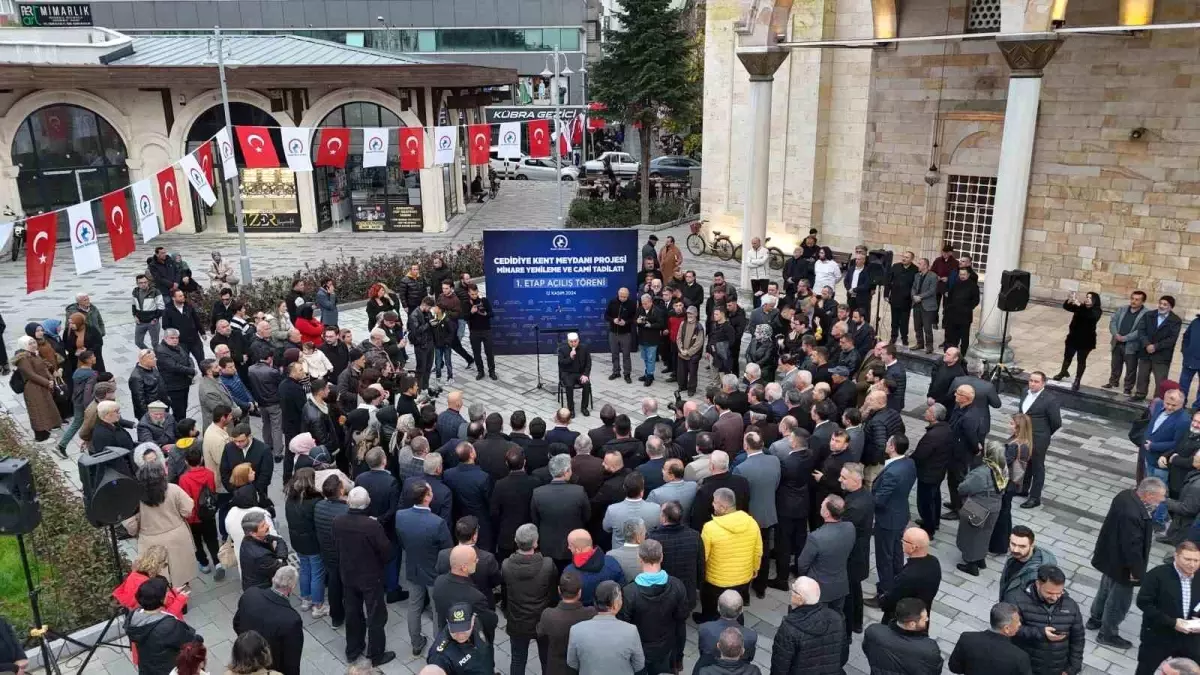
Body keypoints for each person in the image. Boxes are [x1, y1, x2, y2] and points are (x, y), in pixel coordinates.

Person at [1089, 478, 1168, 649]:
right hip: (1124, 565)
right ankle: (1107, 633)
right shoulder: (1135, 515)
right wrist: (1136, 572)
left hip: (1110, 556)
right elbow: (1132, 547)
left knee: (1105, 588)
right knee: (1119, 600)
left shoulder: (1124, 495)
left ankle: (1095, 618)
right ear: (1148, 495)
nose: (1162, 500)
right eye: (1160, 497)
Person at [333, 486, 395, 666]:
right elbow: (387, 551)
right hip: (370, 577)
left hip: (348, 574)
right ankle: (376, 655)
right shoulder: (371, 525)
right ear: (367, 503)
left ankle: (353, 650)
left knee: (352, 613)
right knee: (375, 615)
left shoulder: (338, 521)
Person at [395, 480, 454, 654]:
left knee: (414, 606)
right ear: (427, 497)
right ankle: (438, 646)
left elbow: (402, 541)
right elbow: (447, 550)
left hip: (413, 567)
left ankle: (416, 642)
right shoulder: (437, 523)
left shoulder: (400, 516)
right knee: (437, 610)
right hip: (434, 572)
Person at [617, 539, 690, 675]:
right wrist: (679, 656)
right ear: (662, 557)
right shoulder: (677, 586)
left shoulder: (629, 592)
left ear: (639, 558)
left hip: (639, 651)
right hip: (667, 649)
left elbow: (624, 628)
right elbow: (681, 624)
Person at [122, 463, 196, 588]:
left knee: (156, 576)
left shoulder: (135, 496)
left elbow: (131, 526)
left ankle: (162, 600)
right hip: (177, 536)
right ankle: (182, 602)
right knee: (181, 572)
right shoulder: (173, 489)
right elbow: (187, 511)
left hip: (150, 541)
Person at [1005, 564, 1084, 675]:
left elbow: (1078, 639)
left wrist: (1072, 668)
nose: (1055, 597)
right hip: (1026, 667)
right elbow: (1008, 629)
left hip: (1057, 669)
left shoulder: (1071, 605)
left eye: (1059, 593)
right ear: (1038, 584)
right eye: (1050, 593)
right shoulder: (1015, 599)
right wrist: (1041, 633)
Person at [697, 488, 761, 622]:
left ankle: (709, 623)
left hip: (716, 580)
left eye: (714, 502)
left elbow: (704, 556)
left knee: (711, 609)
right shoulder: (751, 522)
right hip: (743, 577)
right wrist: (755, 569)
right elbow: (758, 550)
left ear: (723, 507)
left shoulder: (710, 528)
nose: (712, 505)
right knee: (735, 607)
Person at [498, 523, 555, 674]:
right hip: (542, 620)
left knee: (517, 659)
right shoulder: (548, 564)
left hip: (518, 621)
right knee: (546, 659)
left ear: (516, 541)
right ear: (536, 543)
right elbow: (553, 588)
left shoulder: (506, 565)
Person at [1136, 542, 1200, 675]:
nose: (1192, 564)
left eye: (1196, 560)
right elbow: (1144, 603)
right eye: (1187, 559)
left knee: (1190, 671)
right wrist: (1173, 622)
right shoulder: (1157, 575)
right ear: (1176, 556)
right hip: (1159, 635)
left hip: (1190, 638)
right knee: (1145, 670)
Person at [354, 446, 405, 603]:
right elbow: (394, 509)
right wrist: (379, 520)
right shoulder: (391, 482)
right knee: (392, 557)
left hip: (366, 524)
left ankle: (379, 583)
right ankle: (392, 589)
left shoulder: (360, 478)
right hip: (387, 527)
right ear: (384, 461)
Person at [232, 567, 304, 675]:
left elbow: (236, 623)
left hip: (245, 658)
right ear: (292, 587)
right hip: (271, 668)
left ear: (273, 579)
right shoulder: (292, 620)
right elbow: (291, 661)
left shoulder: (250, 594)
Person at [768, 577, 845, 675]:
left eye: (793, 590)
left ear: (799, 599)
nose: (791, 592)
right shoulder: (836, 618)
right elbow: (842, 655)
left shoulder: (789, 629)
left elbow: (780, 666)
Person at [125, 577, 201, 675]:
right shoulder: (167, 626)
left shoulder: (133, 616)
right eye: (166, 593)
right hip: (168, 669)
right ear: (161, 599)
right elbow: (189, 641)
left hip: (147, 668)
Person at [567, 580, 644, 675]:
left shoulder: (576, 630)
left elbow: (572, 663)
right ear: (616, 603)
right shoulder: (631, 630)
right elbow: (639, 664)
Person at [872, 434, 916, 597]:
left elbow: (879, 500)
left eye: (888, 443)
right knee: (896, 551)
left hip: (887, 519)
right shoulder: (909, 463)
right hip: (900, 513)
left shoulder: (892, 472)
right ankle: (897, 580)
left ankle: (885, 591)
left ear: (892, 447)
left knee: (884, 556)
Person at [955, 441, 1007, 576]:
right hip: (995, 506)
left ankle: (971, 564)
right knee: (985, 534)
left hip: (977, 506)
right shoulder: (1003, 468)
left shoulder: (982, 472)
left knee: (970, 534)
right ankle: (980, 559)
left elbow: (964, 488)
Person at [282, 468, 326, 617]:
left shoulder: (290, 499)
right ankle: (318, 605)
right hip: (313, 542)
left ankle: (305, 599)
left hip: (298, 541)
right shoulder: (316, 501)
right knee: (317, 572)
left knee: (305, 569)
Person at [876, 527, 941, 625]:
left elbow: (891, 600)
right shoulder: (934, 562)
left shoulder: (909, 576)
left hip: (902, 622)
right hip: (922, 616)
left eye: (904, 541)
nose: (901, 542)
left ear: (913, 547)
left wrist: (882, 601)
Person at [176, 445, 224, 580]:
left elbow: (185, 499)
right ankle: (218, 563)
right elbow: (212, 491)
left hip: (193, 518)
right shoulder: (210, 474)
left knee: (196, 542)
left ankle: (204, 564)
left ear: (186, 462)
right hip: (208, 514)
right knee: (212, 539)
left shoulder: (184, 479)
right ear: (202, 459)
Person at [537, 571, 597, 675]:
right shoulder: (591, 613)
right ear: (579, 592)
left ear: (559, 590)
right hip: (580, 667)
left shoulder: (548, 615)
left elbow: (540, 632)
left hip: (556, 668)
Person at [948, 602, 1032, 675]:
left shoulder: (966, 638)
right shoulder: (1020, 657)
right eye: (1017, 622)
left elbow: (954, 667)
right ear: (1006, 629)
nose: (1020, 624)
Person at [112, 545, 190, 619]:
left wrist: (174, 591)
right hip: (168, 626)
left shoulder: (134, 575)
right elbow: (165, 615)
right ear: (161, 564)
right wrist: (180, 599)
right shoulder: (152, 585)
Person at [910, 403, 953, 536]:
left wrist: (908, 459)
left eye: (928, 411)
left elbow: (920, 455)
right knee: (935, 497)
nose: (925, 413)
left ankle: (929, 529)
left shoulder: (932, 435)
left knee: (926, 501)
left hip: (928, 473)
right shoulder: (946, 429)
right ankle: (934, 522)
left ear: (934, 416)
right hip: (938, 471)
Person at [314, 475, 349, 628]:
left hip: (327, 553)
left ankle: (336, 617)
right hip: (344, 554)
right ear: (340, 491)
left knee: (334, 585)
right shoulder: (345, 510)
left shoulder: (319, 506)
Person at [12, 335, 62, 442]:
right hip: (33, 388)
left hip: (43, 386)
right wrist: (47, 382)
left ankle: (48, 428)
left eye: (34, 342)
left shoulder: (34, 354)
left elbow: (44, 368)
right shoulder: (23, 358)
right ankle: (40, 434)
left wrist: (51, 379)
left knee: (46, 407)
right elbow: (30, 375)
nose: (34, 345)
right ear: (24, 345)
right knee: (38, 411)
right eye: (30, 343)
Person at [426, 603, 495, 675]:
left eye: (464, 628)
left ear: (473, 619)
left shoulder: (478, 622)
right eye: (455, 629)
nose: (460, 635)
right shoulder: (440, 655)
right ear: (447, 622)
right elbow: (434, 670)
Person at [1054, 291, 1103, 390]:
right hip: (1073, 337)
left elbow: (1090, 316)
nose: (1087, 299)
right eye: (1087, 297)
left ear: (1094, 301)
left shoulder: (1097, 311)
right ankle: (1063, 372)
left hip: (1086, 340)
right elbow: (1067, 307)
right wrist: (1069, 299)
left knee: (1081, 360)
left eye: (1090, 298)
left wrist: (1079, 304)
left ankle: (1077, 379)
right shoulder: (1081, 307)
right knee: (1067, 356)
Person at [1104, 290, 1150, 394]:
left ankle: (1128, 387)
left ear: (1142, 302)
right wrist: (1116, 334)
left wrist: (1125, 338)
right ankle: (1113, 382)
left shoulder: (1146, 314)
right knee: (1115, 364)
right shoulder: (1122, 309)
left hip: (1132, 345)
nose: (1133, 301)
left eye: (1137, 300)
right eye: (1132, 298)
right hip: (1117, 342)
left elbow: (1141, 330)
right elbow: (1113, 322)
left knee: (1131, 368)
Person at [691, 450, 750, 531]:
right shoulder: (742, 482)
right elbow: (746, 506)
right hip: (740, 527)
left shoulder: (704, 490)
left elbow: (698, 520)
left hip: (716, 533)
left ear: (711, 466)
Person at [563, 529, 624, 606]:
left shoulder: (569, 573)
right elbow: (622, 590)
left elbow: (569, 600)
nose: (568, 547)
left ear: (578, 549)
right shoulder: (612, 563)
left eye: (570, 545)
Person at [603, 473, 662, 549]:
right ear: (642, 491)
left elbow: (606, 528)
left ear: (624, 488)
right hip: (646, 554)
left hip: (620, 556)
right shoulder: (656, 508)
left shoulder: (612, 510)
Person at [239, 510, 290, 591]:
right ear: (253, 533)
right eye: (263, 526)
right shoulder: (261, 556)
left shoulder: (248, 539)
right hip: (263, 592)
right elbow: (281, 568)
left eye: (265, 522)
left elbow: (270, 538)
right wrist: (281, 555)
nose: (267, 525)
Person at [155, 329, 196, 422]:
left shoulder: (178, 346)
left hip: (184, 383)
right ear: (165, 338)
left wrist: (191, 369)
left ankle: (182, 425)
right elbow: (174, 367)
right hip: (174, 387)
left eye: (176, 338)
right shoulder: (161, 350)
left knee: (184, 407)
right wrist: (191, 371)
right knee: (179, 410)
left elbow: (188, 358)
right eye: (172, 338)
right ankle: (178, 429)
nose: (175, 340)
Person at [942, 266, 979, 353]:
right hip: (953, 315)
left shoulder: (973, 286)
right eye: (960, 274)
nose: (962, 276)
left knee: (964, 338)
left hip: (965, 317)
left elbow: (976, 301)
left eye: (964, 274)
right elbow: (950, 297)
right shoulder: (956, 284)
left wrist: (967, 308)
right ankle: (951, 353)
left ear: (968, 275)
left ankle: (962, 355)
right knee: (952, 336)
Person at [557, 332, 592, 417]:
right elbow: (561, 364)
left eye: (575, 341)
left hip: (580, 373)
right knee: (569, 385)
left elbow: (588, 363)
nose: (573, 343)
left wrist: (586, 375)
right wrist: (570, 358)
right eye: (571, 342)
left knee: (586, 383)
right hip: (567, 373)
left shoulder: (584, 348)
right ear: (568, 341)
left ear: (578, 340)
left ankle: (584, 408)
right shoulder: (562, 349)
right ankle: (571, 409)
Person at [635, 293, 666, 386]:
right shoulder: (640, 309)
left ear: (651, 302)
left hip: (652, 339)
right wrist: (637, 321)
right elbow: (635, 320)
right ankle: (647, 373)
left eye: (646, 303)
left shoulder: (657, 311)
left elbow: (661, 324)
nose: (644, 305)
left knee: (651, 359)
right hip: (642, 338)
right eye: (642, 303)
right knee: (645, 358)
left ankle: (649, 376)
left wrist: (651, 325)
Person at [676, 305, 705, 396]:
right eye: (688, 313)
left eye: (691, 313)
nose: (689, 315)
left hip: (693, 355)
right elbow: (678, 337)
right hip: (682, 353)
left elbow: (699, 343)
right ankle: (682, 386)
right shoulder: (683, 323)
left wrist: (688, 352)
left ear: (696, 314)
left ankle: (691, 389)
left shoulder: (699, 327)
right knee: (681, 371)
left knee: (692, 373)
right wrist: (681, 349)